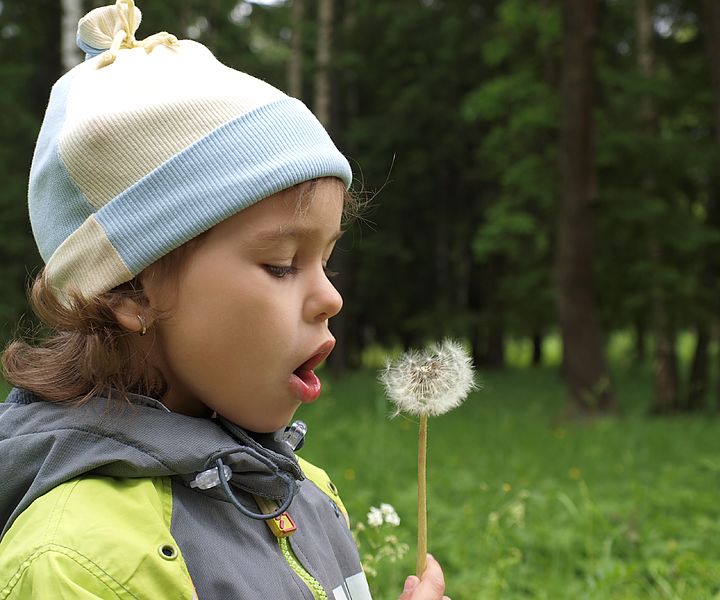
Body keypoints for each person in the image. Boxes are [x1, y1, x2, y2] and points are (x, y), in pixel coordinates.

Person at [0, 1, 450, 599]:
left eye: (326, 259)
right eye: (282, 265)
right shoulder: (78, 564)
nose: (331, 297)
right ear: (126, 290)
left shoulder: (294, 489)